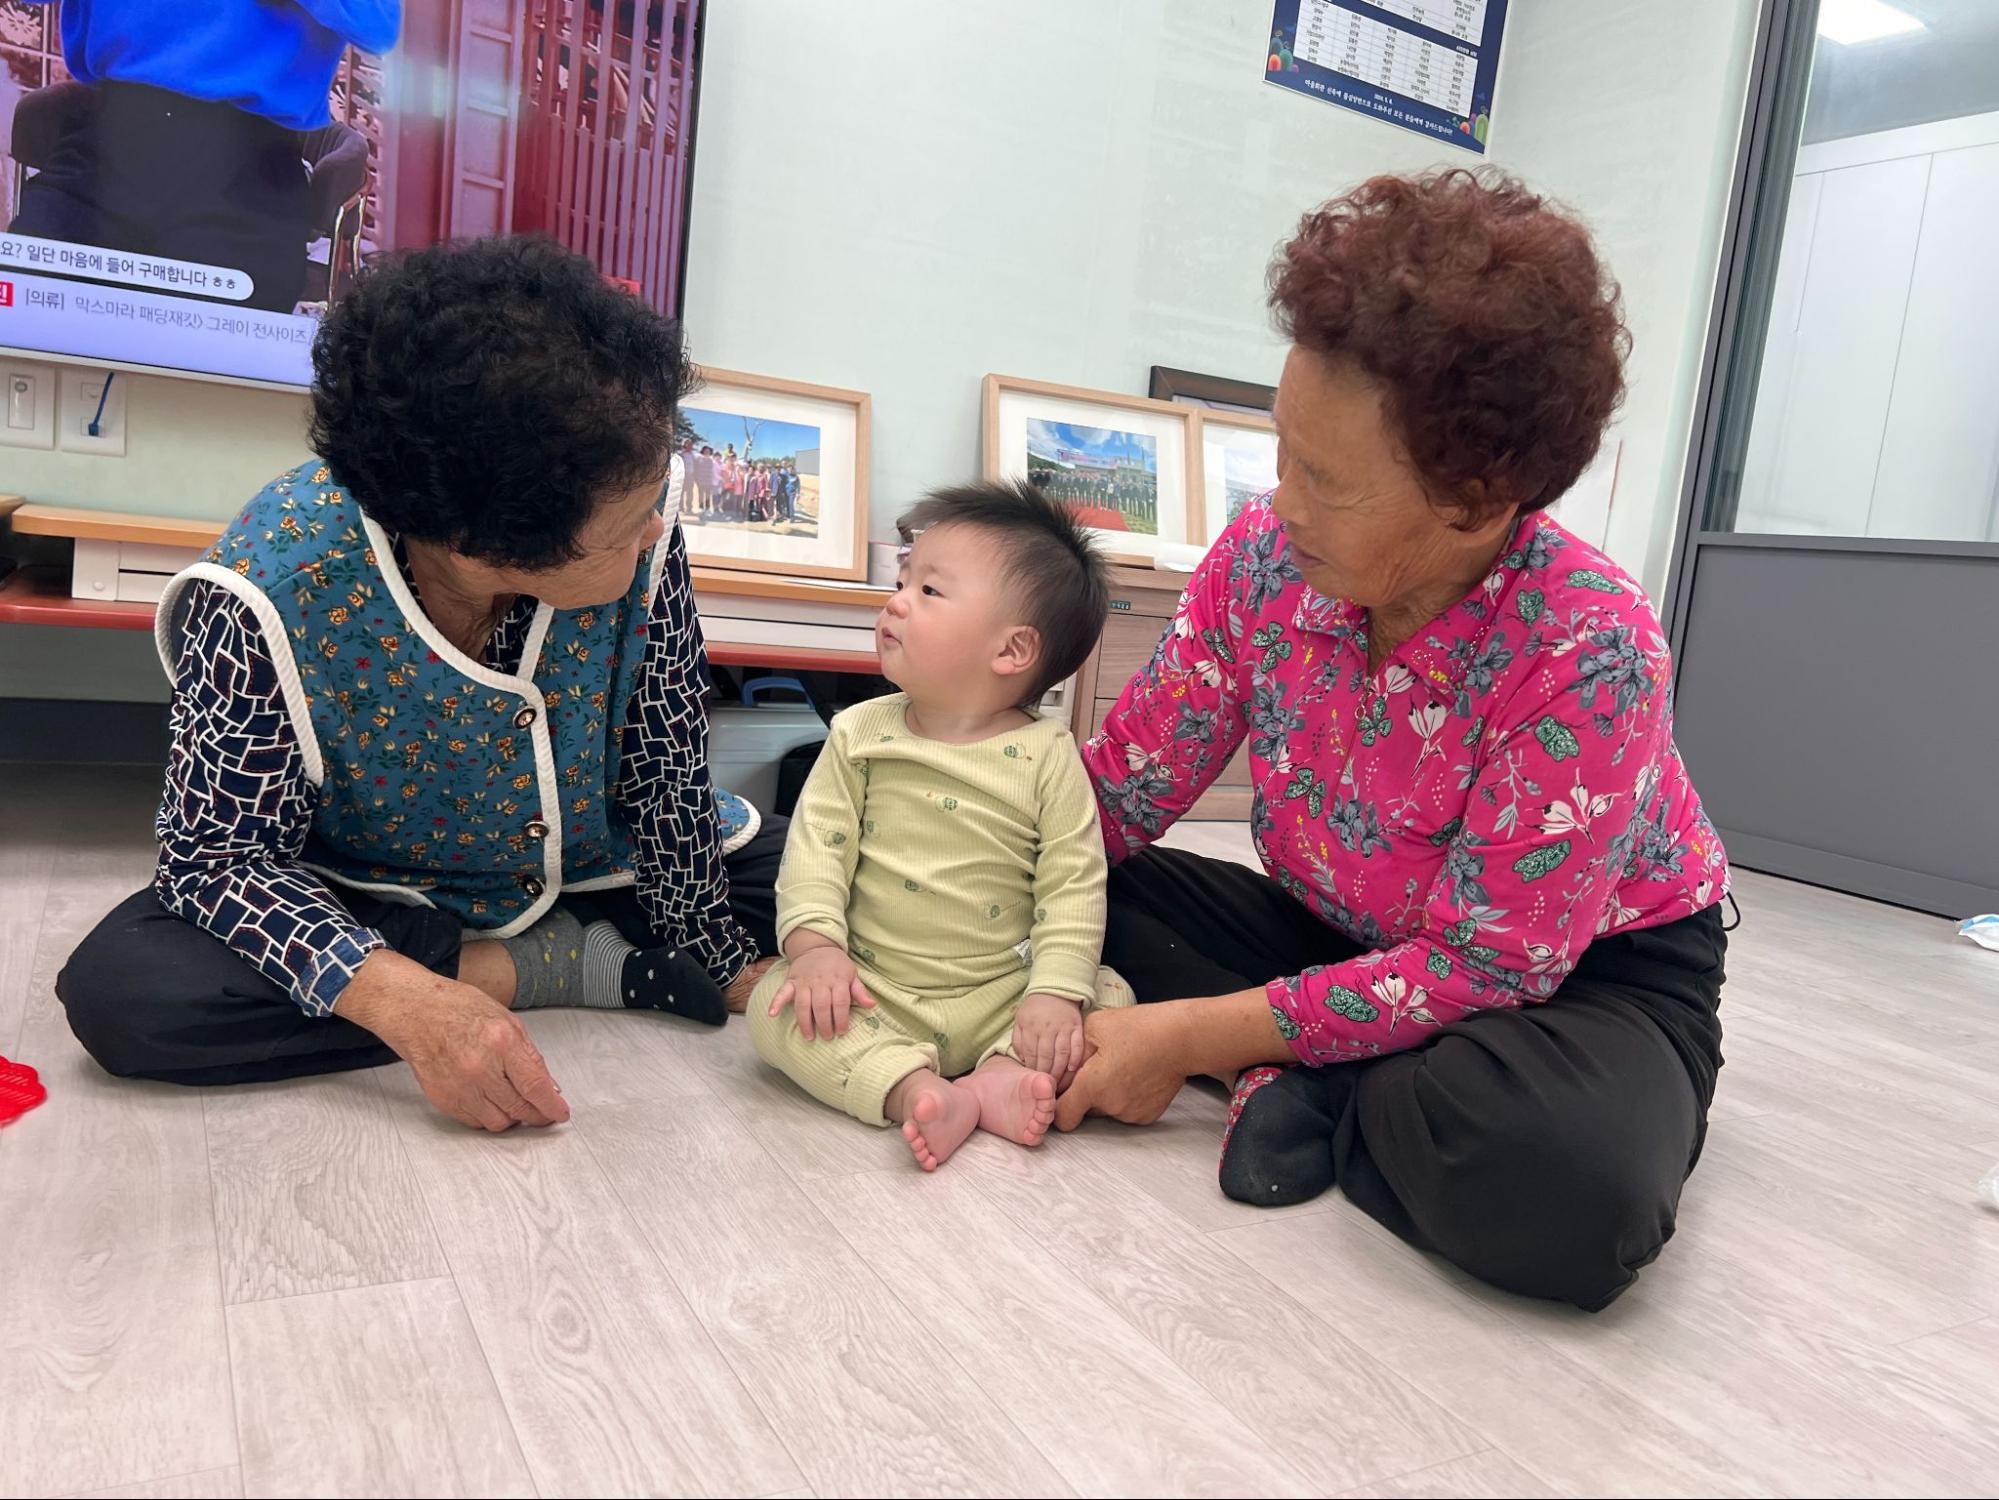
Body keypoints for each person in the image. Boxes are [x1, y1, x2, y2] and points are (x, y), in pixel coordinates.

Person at [1058, 169, 1731, 1311]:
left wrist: (1181, 1038)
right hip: (1340, 934)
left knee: (1575, 1191)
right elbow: (1117, 794)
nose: (1281, 501)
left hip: (1575, 987)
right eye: (1280, 450)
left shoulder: (1588, 646)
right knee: (1057, 888)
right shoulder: (1261, 562)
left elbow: (1489, 967)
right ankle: (1320, 1063)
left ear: (1476, 497)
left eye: (1325, 479)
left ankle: (1317, 1079)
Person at [57, 237, 782, 1131]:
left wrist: (712, 950)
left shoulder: (635, 515)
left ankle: (609, 948)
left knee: (849, 881)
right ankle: (542, 967)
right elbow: (217, 862)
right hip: (375, 896)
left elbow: (666, 765)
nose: (654, 536)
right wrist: (397, 998)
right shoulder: (267, 591)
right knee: (132, 993)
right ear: (481, 545)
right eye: (628, 525)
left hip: (598, 862)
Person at [747, 480, 1134, 1171]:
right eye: (902, 581)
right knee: (774, 1003)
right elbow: (814, 857)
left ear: (1011, 651)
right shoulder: (858, 733)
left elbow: (1073, 885)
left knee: (1104, 997)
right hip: (874, 987)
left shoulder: (1049, 756)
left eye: (928, 590)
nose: (895, 601)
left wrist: (1052, 993)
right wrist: (816, 952)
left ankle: (999, 1075)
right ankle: (911, 1089)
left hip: (1001, 994)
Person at [10, 0, 402, 314]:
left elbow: (379, 24)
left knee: (209, 371)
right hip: (102, 153)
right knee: (26, 311)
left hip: (246, 177)